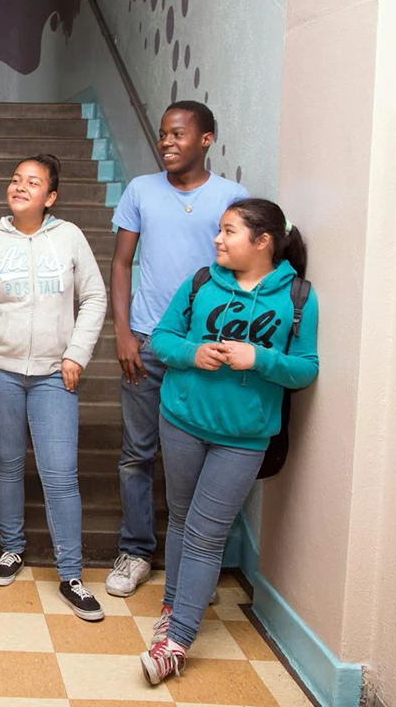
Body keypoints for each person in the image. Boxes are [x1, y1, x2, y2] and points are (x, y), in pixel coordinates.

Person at [140, 198, 318, 684]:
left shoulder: (298, 297)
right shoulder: (201, 282)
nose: (217, 239)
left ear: (263, 242)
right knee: (181, 519)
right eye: (220, 231)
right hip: (180, 420)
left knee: (205, 533)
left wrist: (259, 359)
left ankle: (175, 641)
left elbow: (306, 368)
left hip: (243, 437)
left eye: (229, 232)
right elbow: (161, 338)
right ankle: (173, 605)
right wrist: (193, 353)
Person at [105, 101, 249, 598]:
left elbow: (247, 269)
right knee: (136, 454)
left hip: (205, 350)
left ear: (206, 139)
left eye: (179, 134)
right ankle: (137, 551)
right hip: (146, 341)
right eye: (163, 134)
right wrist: (123, 333)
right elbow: (122, 264)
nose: (166, 142)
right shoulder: (141, 190)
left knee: (203, 453)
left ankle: (195, 563)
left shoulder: (232, 197)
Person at [0, 154, 108, 620]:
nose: (20, 187)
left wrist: (75, 354)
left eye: (33, 182)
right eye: (16, 179)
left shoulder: (70, 238)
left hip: (52, 376)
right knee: (5, 465)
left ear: (51, 197)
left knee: (60, 474)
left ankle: (71, 574)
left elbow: (95, 297)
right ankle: (12, 548)